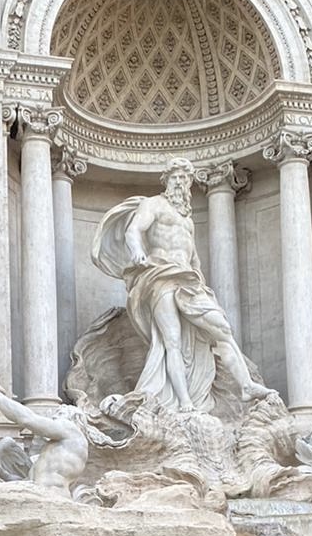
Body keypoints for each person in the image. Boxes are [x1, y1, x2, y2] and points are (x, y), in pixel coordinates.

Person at [92, 158, 270, 413]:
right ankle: (185, 402)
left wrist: (202, 284)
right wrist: (137, 251)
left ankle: (246, 385)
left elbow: (193, 257)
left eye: (184, 178)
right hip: (160, 275)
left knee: (222, 329)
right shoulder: (153, 204)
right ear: (166, 181)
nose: (179, 182)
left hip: (188, 279)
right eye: (175, 177)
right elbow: (133, 230)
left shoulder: (188, 220)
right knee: (172, 341)